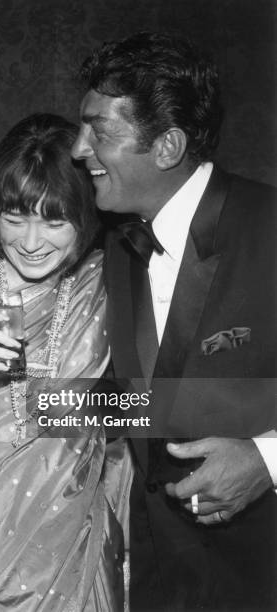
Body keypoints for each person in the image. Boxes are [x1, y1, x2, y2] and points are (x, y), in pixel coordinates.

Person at [72, 31, 276, 610]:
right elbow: (147, 401)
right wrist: (18, 403)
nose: (78, 148)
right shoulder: (116, 245)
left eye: (98, 131)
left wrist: (267, 458)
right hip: (156, 574)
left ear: (167, 147)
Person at [0, 113, 130, 611]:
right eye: (15, 218)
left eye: (55, 221)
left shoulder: (108, 279)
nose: (32, 242)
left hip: (72, 540)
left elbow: (140, 402)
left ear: (85, 215)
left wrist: (74, 410)